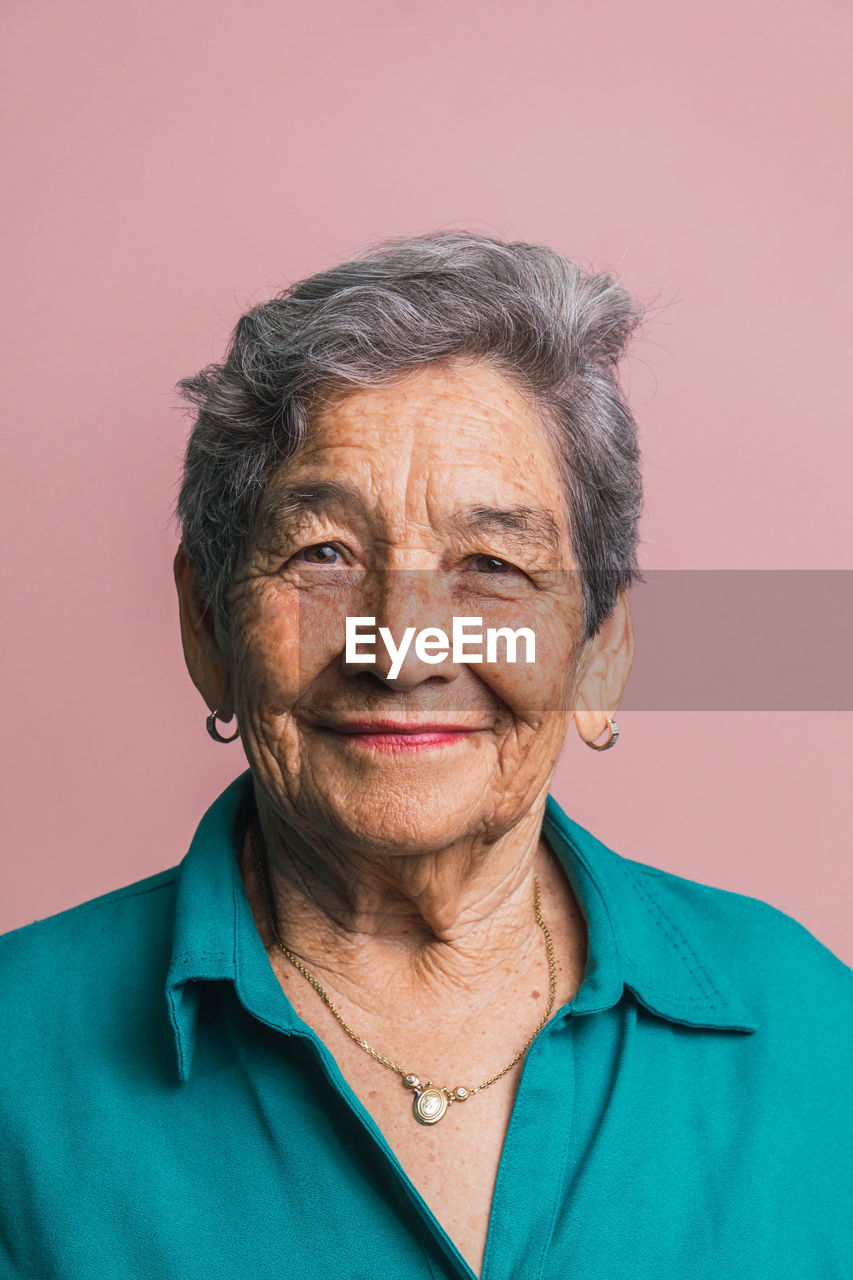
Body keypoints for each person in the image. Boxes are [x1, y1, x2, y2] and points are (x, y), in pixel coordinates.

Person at [0, 233, 850, 1280]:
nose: (403, 649)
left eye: (491, 564)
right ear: (207, 627)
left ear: (600, 650)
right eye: (324, 554)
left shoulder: (814, 1031)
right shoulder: (16, 1061)